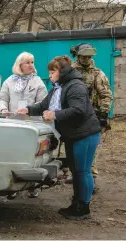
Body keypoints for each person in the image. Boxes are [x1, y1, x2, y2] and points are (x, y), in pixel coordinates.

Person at [17, 55, 101, 220]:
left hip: (85, 134)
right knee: (76, 171)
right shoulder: (58, 87)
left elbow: (78, 110)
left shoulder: (75, 86)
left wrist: (55, 114)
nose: (50, 75)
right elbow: (43, 106)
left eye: (52, 72)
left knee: (83, 171)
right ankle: (76, 203)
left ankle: (83, 207)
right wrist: (27, 110)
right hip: (73, 135)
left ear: (61, 72)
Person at [0, 51, 48, 199]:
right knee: (12, 155)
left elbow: (44, 103)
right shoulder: (9, 81)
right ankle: (12, 187)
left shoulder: (37, 81)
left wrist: (31, 110)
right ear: (20, 65)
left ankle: (32, 186)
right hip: (13, 124)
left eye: (33, 62)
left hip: (32, 124)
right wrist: (3, 109)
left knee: (31, 156)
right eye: (28, 62)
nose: (31, 65)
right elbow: (2, 99)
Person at [68, 43, 113, 193]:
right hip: (73, 116)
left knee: (89, 150)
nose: (87, 59)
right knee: (72, 147)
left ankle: (91, 178)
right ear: (78, 56)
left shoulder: (97, 74)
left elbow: (106, 95)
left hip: (91, 117)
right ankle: (75, 175)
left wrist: (103, 114)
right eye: (84, 56)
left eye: (89, 57)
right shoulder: (70, 72)